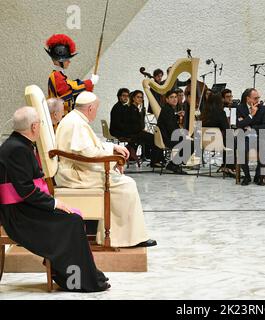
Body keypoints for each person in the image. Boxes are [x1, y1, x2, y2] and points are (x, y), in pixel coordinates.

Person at [0, 107, 110, 292]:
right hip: (18, 215)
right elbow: (26, 190)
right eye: (41, 124)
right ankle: (74, 279)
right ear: (34, 126)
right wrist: (55, 203)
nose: (41, 127)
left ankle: (80, 275)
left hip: (24, 207)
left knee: (71, 219)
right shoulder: (17, 149)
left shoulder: (18, 143)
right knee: (72, 221)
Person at [55, 91, 157, 247]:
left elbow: (91, 147)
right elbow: (88, 154)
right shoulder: (76, 123)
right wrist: (112, 159)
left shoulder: (75, 119)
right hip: (76, 173)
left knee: (124, 181)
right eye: (96, 108)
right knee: (125, 184)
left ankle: (127, 236)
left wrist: (113, 148)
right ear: (90, 108)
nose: (96, 111)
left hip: (78, 168)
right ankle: (122, 238)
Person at [46, 34, 98, 115]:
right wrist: (90, 82)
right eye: (67, 59)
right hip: (59, 118)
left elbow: (70, 85)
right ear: (60, 61)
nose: (69, 61)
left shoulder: (58, 75)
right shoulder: (56, 76)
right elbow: (69, 89)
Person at [236, 88, 265, 186]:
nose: (258, 100)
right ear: (248, 99)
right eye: (255, 98)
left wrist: (252, 128)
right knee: (241, 150)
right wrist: (251, 115)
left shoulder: (263, 108)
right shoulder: (240, 108)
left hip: (259, 137)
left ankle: (258, 175)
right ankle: (247, 176)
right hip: (245, 137)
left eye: (258, 98)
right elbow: (239, 124)